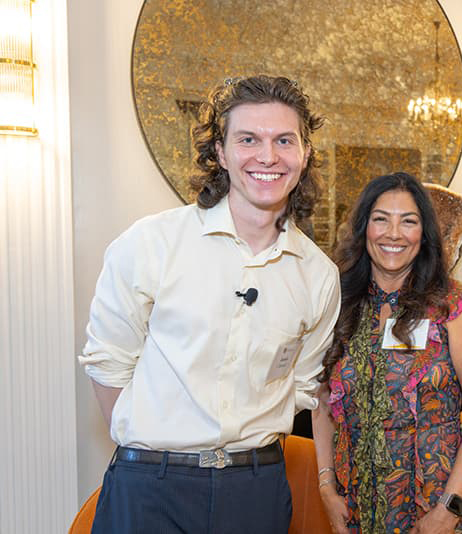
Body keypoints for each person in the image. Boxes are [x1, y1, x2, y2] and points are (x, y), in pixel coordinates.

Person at [79, 75, 340, 533]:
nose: (267, 156)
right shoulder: (152, 243)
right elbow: (108, 366)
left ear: (305, 154)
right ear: (220, 152)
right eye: (248, 139)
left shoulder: (318, 275)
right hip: (149, 489)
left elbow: (302, 384)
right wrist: (158, 452)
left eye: (284, 140)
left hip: (255, 490)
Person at [312, 172, 462, 534]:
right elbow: (321, 400)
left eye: (408, 221)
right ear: (364, 228)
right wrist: (325, 487)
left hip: (437, 507)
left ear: (423, 234)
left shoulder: (453, 305)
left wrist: (449, 510)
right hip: (356, 509)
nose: (393, 233)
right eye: (381, 219)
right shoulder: (339, 304)